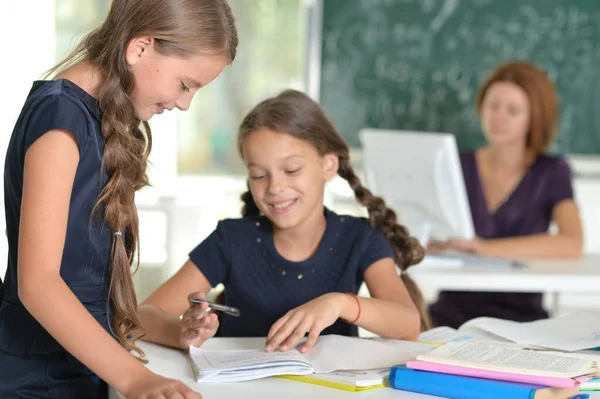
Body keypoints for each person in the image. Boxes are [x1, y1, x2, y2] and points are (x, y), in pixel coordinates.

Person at [0, 0, 238, 398]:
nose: (185, 103)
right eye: (185, 84)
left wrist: (171, 330)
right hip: (37, 382)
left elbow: (93, 296)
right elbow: (38, 284)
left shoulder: (98, 118)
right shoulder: (61, 118)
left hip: (84, 375)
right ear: (139, 48)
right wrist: (136, 378)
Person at [137, 89, 429, 354]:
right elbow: (142, 313)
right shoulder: (231, 239)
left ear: (328, 165)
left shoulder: (360, 237)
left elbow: (407, 324)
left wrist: (337, 303)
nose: (275, 187)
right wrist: (181, 333)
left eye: (291, 169)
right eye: (259, 175)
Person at [428, 60, 583, 328]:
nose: (499, 117)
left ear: (534, 117)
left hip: (521, 322)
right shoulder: (455, 164)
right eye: (493, 106)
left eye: (513, 110)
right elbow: (428, 230)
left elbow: (572, 242)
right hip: (451, 317)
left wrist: (485, 248)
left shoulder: (551, 172)